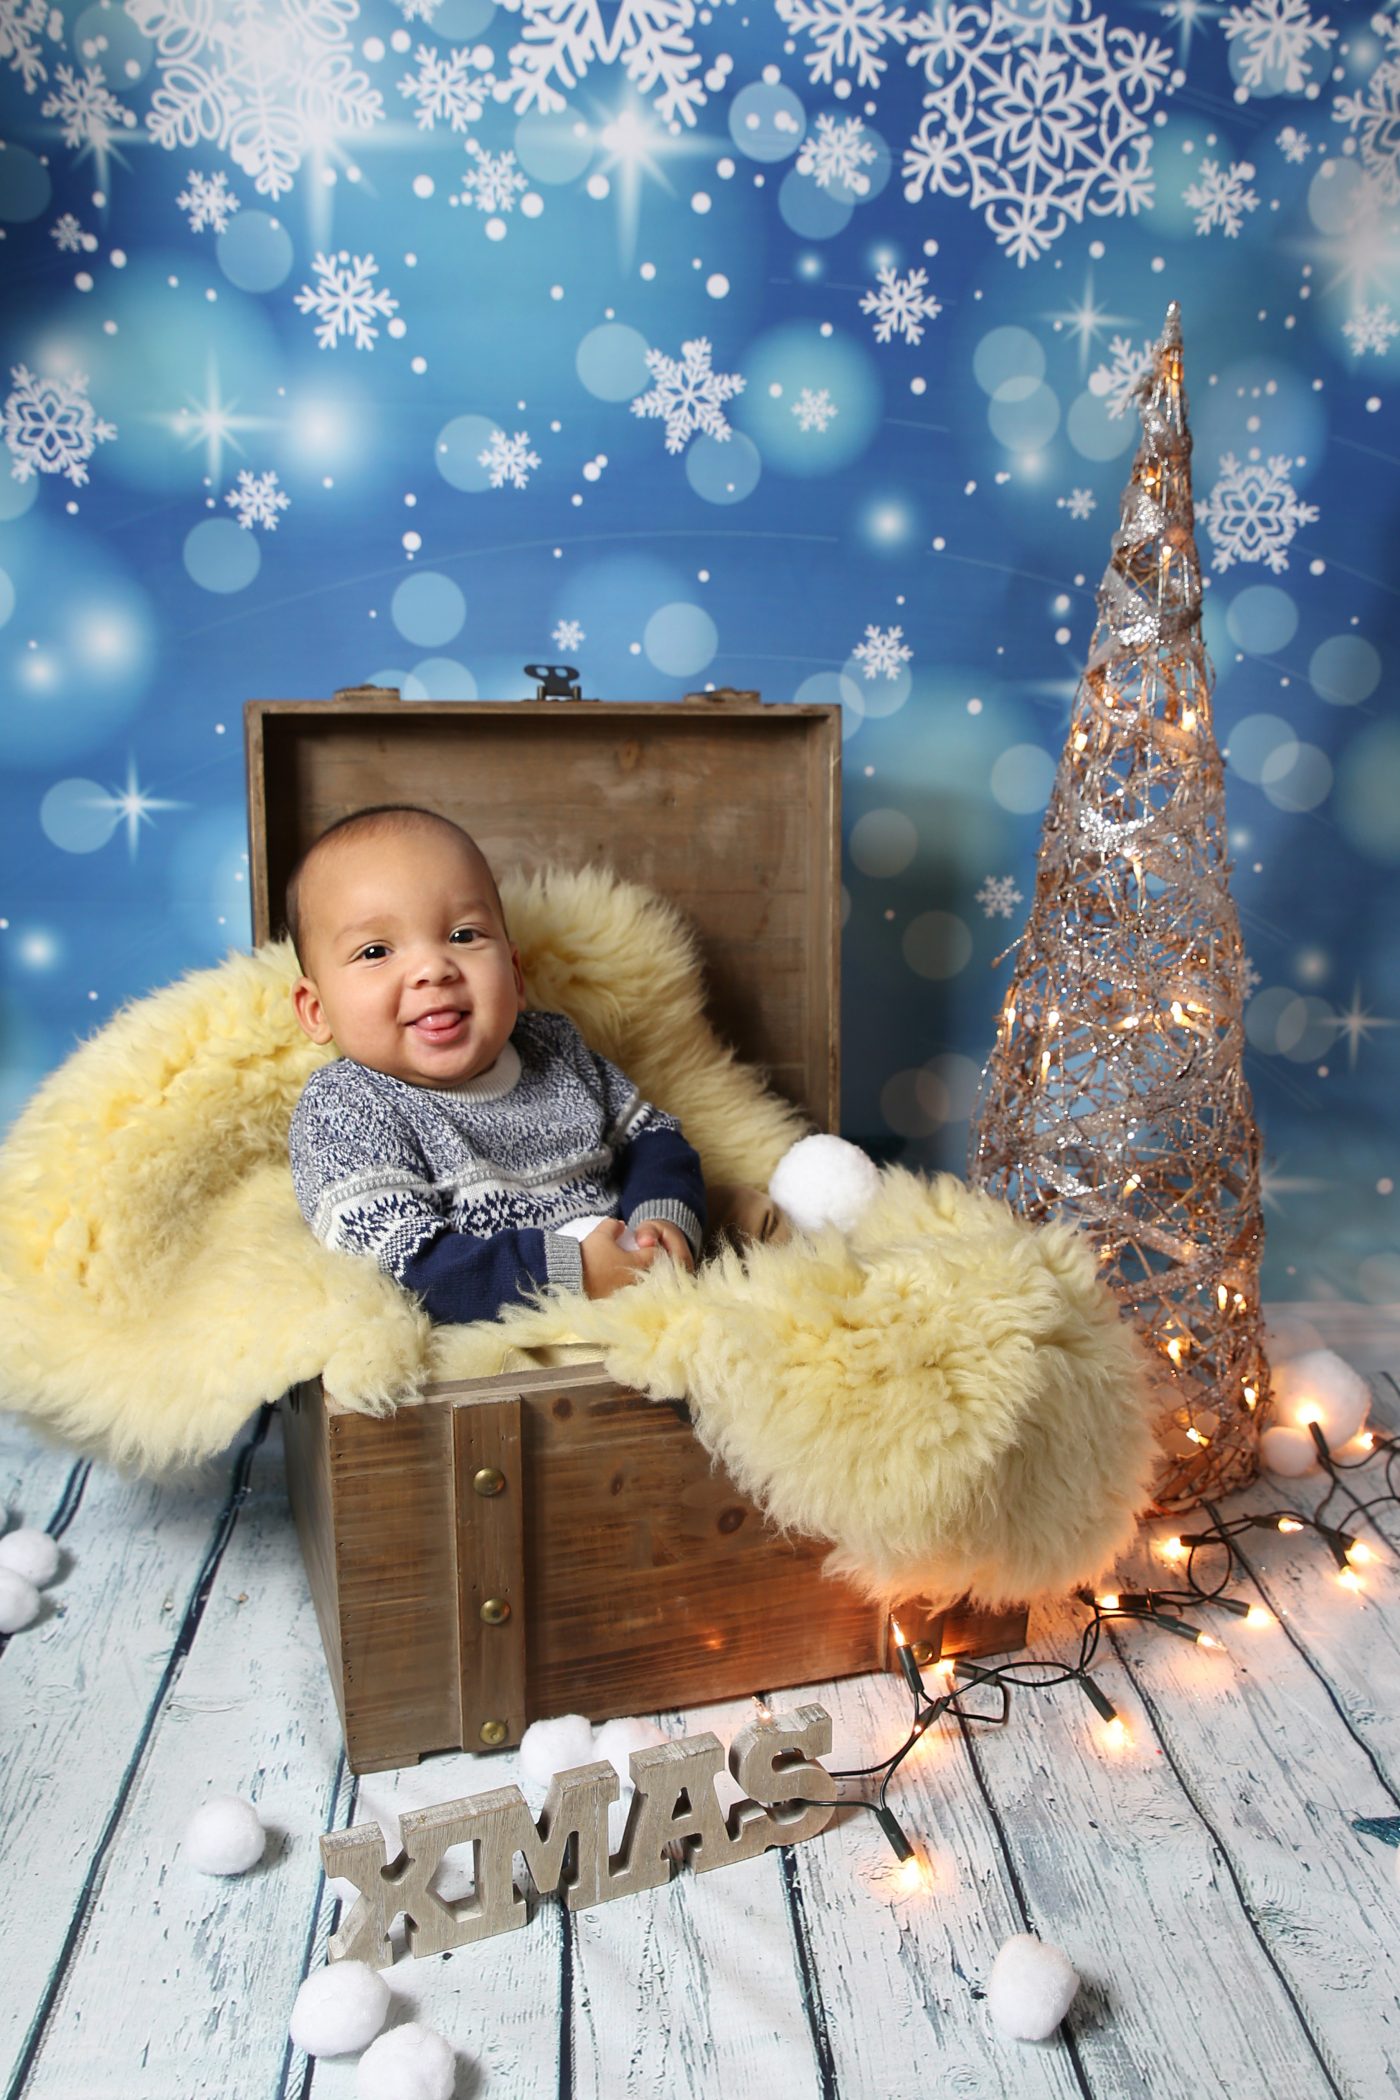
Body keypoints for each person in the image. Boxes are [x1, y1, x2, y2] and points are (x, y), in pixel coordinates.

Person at [285, 804, 705, 1322]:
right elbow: (404, 1268)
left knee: (749, 1213)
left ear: (514, 973)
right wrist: (570, 1271)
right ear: (316, 1008)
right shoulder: (346, 1108)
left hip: (635, 1262)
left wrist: (660, 1218)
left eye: (463, 936)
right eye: (375, 951)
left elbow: (650, 1138)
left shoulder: (551, 1048)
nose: (432, 970)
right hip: (521, 1321)